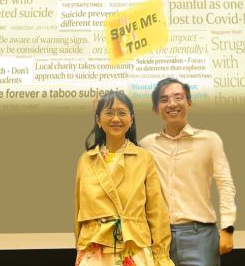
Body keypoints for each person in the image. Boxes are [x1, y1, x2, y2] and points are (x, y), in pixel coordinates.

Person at [140, 78, 236, 266]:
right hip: (158, 236)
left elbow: (225, 185)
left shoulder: (210, 140)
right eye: (164, 99)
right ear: (155, 108)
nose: (172, 104)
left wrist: (227, 227)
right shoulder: (146, 145)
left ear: (189, 102)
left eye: (178, 97)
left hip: (200, 236)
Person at [74, 90, 175, 266]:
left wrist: (161, 255)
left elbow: (156, 211)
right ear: (98, 120)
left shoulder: (143, 158)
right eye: (109, 113)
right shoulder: (86, 160)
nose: (115, 119)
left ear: (131, 119)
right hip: (94, 249)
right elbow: (79, 210)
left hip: (133, 247)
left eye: (122, 113)